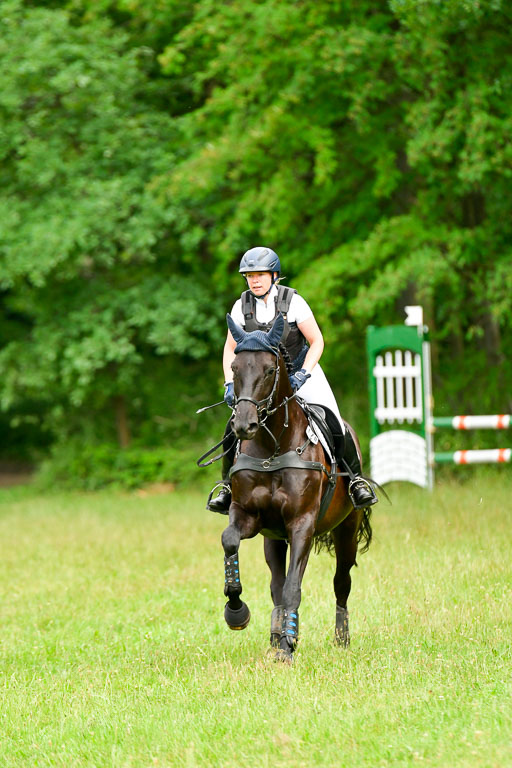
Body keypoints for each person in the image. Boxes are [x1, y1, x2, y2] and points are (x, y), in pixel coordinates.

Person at [207, 246, 377, 513]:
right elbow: (230, 348)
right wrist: (229, 382)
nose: (255, 280)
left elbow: (317, 341)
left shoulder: (293, 302)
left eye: (260, 274)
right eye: (250, 276)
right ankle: (227, 485)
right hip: (261, 383)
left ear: (274, 275)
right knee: (233, 425)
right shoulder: (241, 306)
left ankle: (356, 482)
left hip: (302, 371)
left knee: (334, 419)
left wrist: (303, 373)